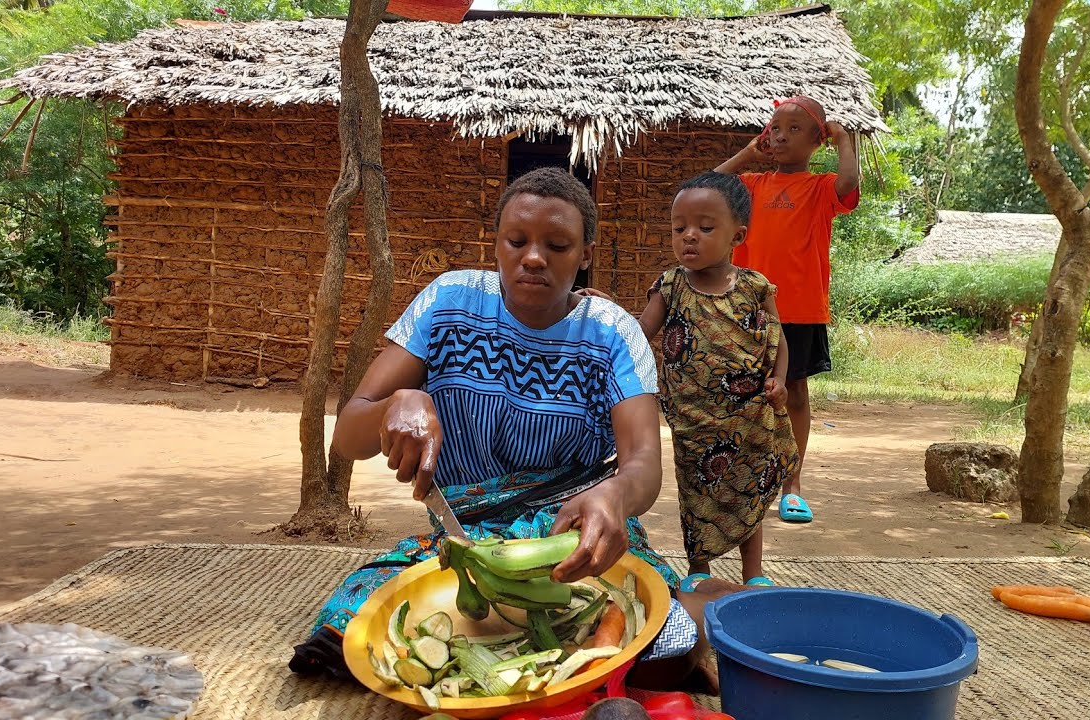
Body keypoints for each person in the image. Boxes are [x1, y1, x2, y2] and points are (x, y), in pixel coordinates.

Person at [288, 167, 742, 690]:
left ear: (585, 254)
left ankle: (699, 604)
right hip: (467, 537)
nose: (533, 257)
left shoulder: (614, 333)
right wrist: (397, 402)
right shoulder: (448, 303)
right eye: (517, 240)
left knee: (666, 648)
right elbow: (347, 434)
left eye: (557, 244)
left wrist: (615, 495)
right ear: (497, 244)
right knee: (353, 628)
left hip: (573, 534)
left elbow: (643, 465)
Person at [636, 171, 798, 591]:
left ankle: (753, 573)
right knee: (696, 494)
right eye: (679, 228)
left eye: (705, 228)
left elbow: (778, 341)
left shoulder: (756, 287)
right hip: (693, 418)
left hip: (747, 417)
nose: (689, 236)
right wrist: (601, 313)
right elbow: (638, 334)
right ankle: (699, 570)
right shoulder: (670, 285)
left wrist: (779, 381)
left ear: (737, 235)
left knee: (747, 492)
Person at [714, 95, 860, 524]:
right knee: (739, 390)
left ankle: (791, 486)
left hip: (799, 307)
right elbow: (704, 186)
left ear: (818, 139)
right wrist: (747, 153)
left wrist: (844, 139)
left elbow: (850, 182)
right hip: (747, 306)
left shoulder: (821, 188)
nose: (779, 136)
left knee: (794, 392)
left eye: (793, 129)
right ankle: (739, 476)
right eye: (775, 127)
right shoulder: (754, 184)